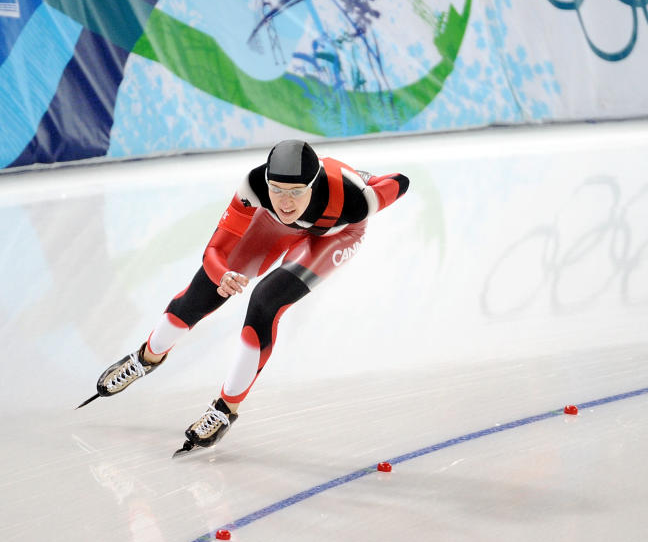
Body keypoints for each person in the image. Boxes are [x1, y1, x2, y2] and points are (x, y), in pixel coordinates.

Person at [80, 139, 409, 455]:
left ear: (314, 184)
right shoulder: (253, 186)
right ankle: (146, 357)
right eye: (277, 189)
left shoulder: (356, 198)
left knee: (266, 301)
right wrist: (223, 274)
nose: (286, 201)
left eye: (296, 192)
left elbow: (400, 180)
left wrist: (365, 178)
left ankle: (226, 408)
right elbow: (215, 250)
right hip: (275, 227)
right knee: (207, 289)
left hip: (334, 235)